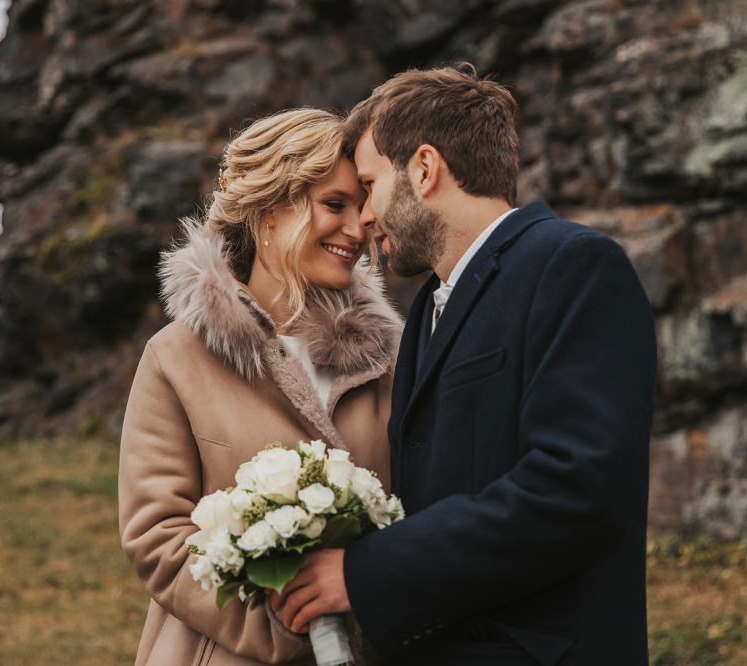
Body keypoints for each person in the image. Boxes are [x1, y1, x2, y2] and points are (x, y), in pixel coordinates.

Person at [272, 66, 658, 664]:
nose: (363, 219)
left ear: (424, 169)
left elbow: (577, 488)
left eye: (370, 186)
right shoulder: (428, 304)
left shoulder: (572, 266)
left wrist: (368, 573)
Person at [118, 108, 401, 666]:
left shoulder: (395, 357)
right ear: (271, 210)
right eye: (335, 205)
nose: (360, 226)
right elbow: (158, 537)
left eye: (363, 204)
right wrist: (298, 630)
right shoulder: (177, 358)